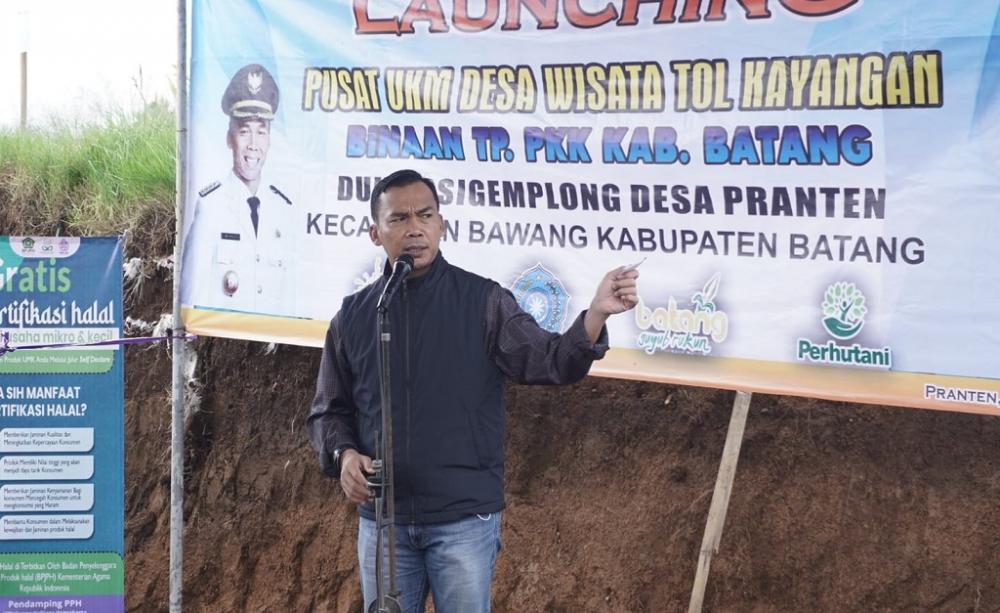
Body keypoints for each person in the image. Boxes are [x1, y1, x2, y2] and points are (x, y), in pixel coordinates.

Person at [307, 169, 639, 613]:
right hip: (384, 523)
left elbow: (550, 360)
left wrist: (596, 314)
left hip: (462, 520)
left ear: (442, 225)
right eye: (399, 219)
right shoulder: (355, 315)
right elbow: (328, 412)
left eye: (425, 215)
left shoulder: (482, 301)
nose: (414, 229)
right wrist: (344, 455)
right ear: (374, 233)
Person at [181, 63, 295, 315]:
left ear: (270, 139)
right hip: (225, 346)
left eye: (261, 132)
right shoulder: (210, 205)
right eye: (244, 132)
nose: (253, 145)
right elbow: (191, 297)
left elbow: (290, 297)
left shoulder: (283, 209)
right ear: (229, 138)